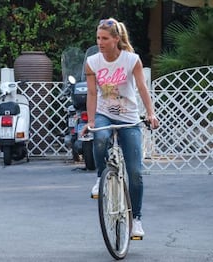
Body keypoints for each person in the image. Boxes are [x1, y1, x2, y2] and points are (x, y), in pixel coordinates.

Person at [81, 18, 160, 237]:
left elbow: (142, 88)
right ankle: (100, 178)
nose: (100, 42)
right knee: (99, 136)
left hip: (129, 117)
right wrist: (91, 121)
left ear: (116, 39)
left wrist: (150, 113)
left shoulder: (131, 59)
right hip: (104, 114)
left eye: (105, 38)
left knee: (135, 172)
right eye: (98, 38)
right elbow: (92, 93)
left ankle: (136, 220)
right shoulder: (93, 62)